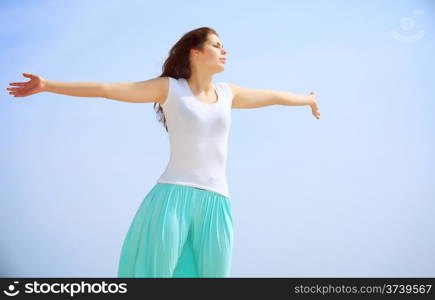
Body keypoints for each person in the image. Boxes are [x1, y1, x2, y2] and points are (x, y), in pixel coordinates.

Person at [6, 26, 320, 278]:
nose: (225, 51)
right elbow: (106, 89)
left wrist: (307, 99)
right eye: (217, 45)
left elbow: (274, 96)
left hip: (218, 201)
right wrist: (48, 84)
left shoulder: (228, 93)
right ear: (195, 52)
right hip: (173, 198)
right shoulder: (170, 88)